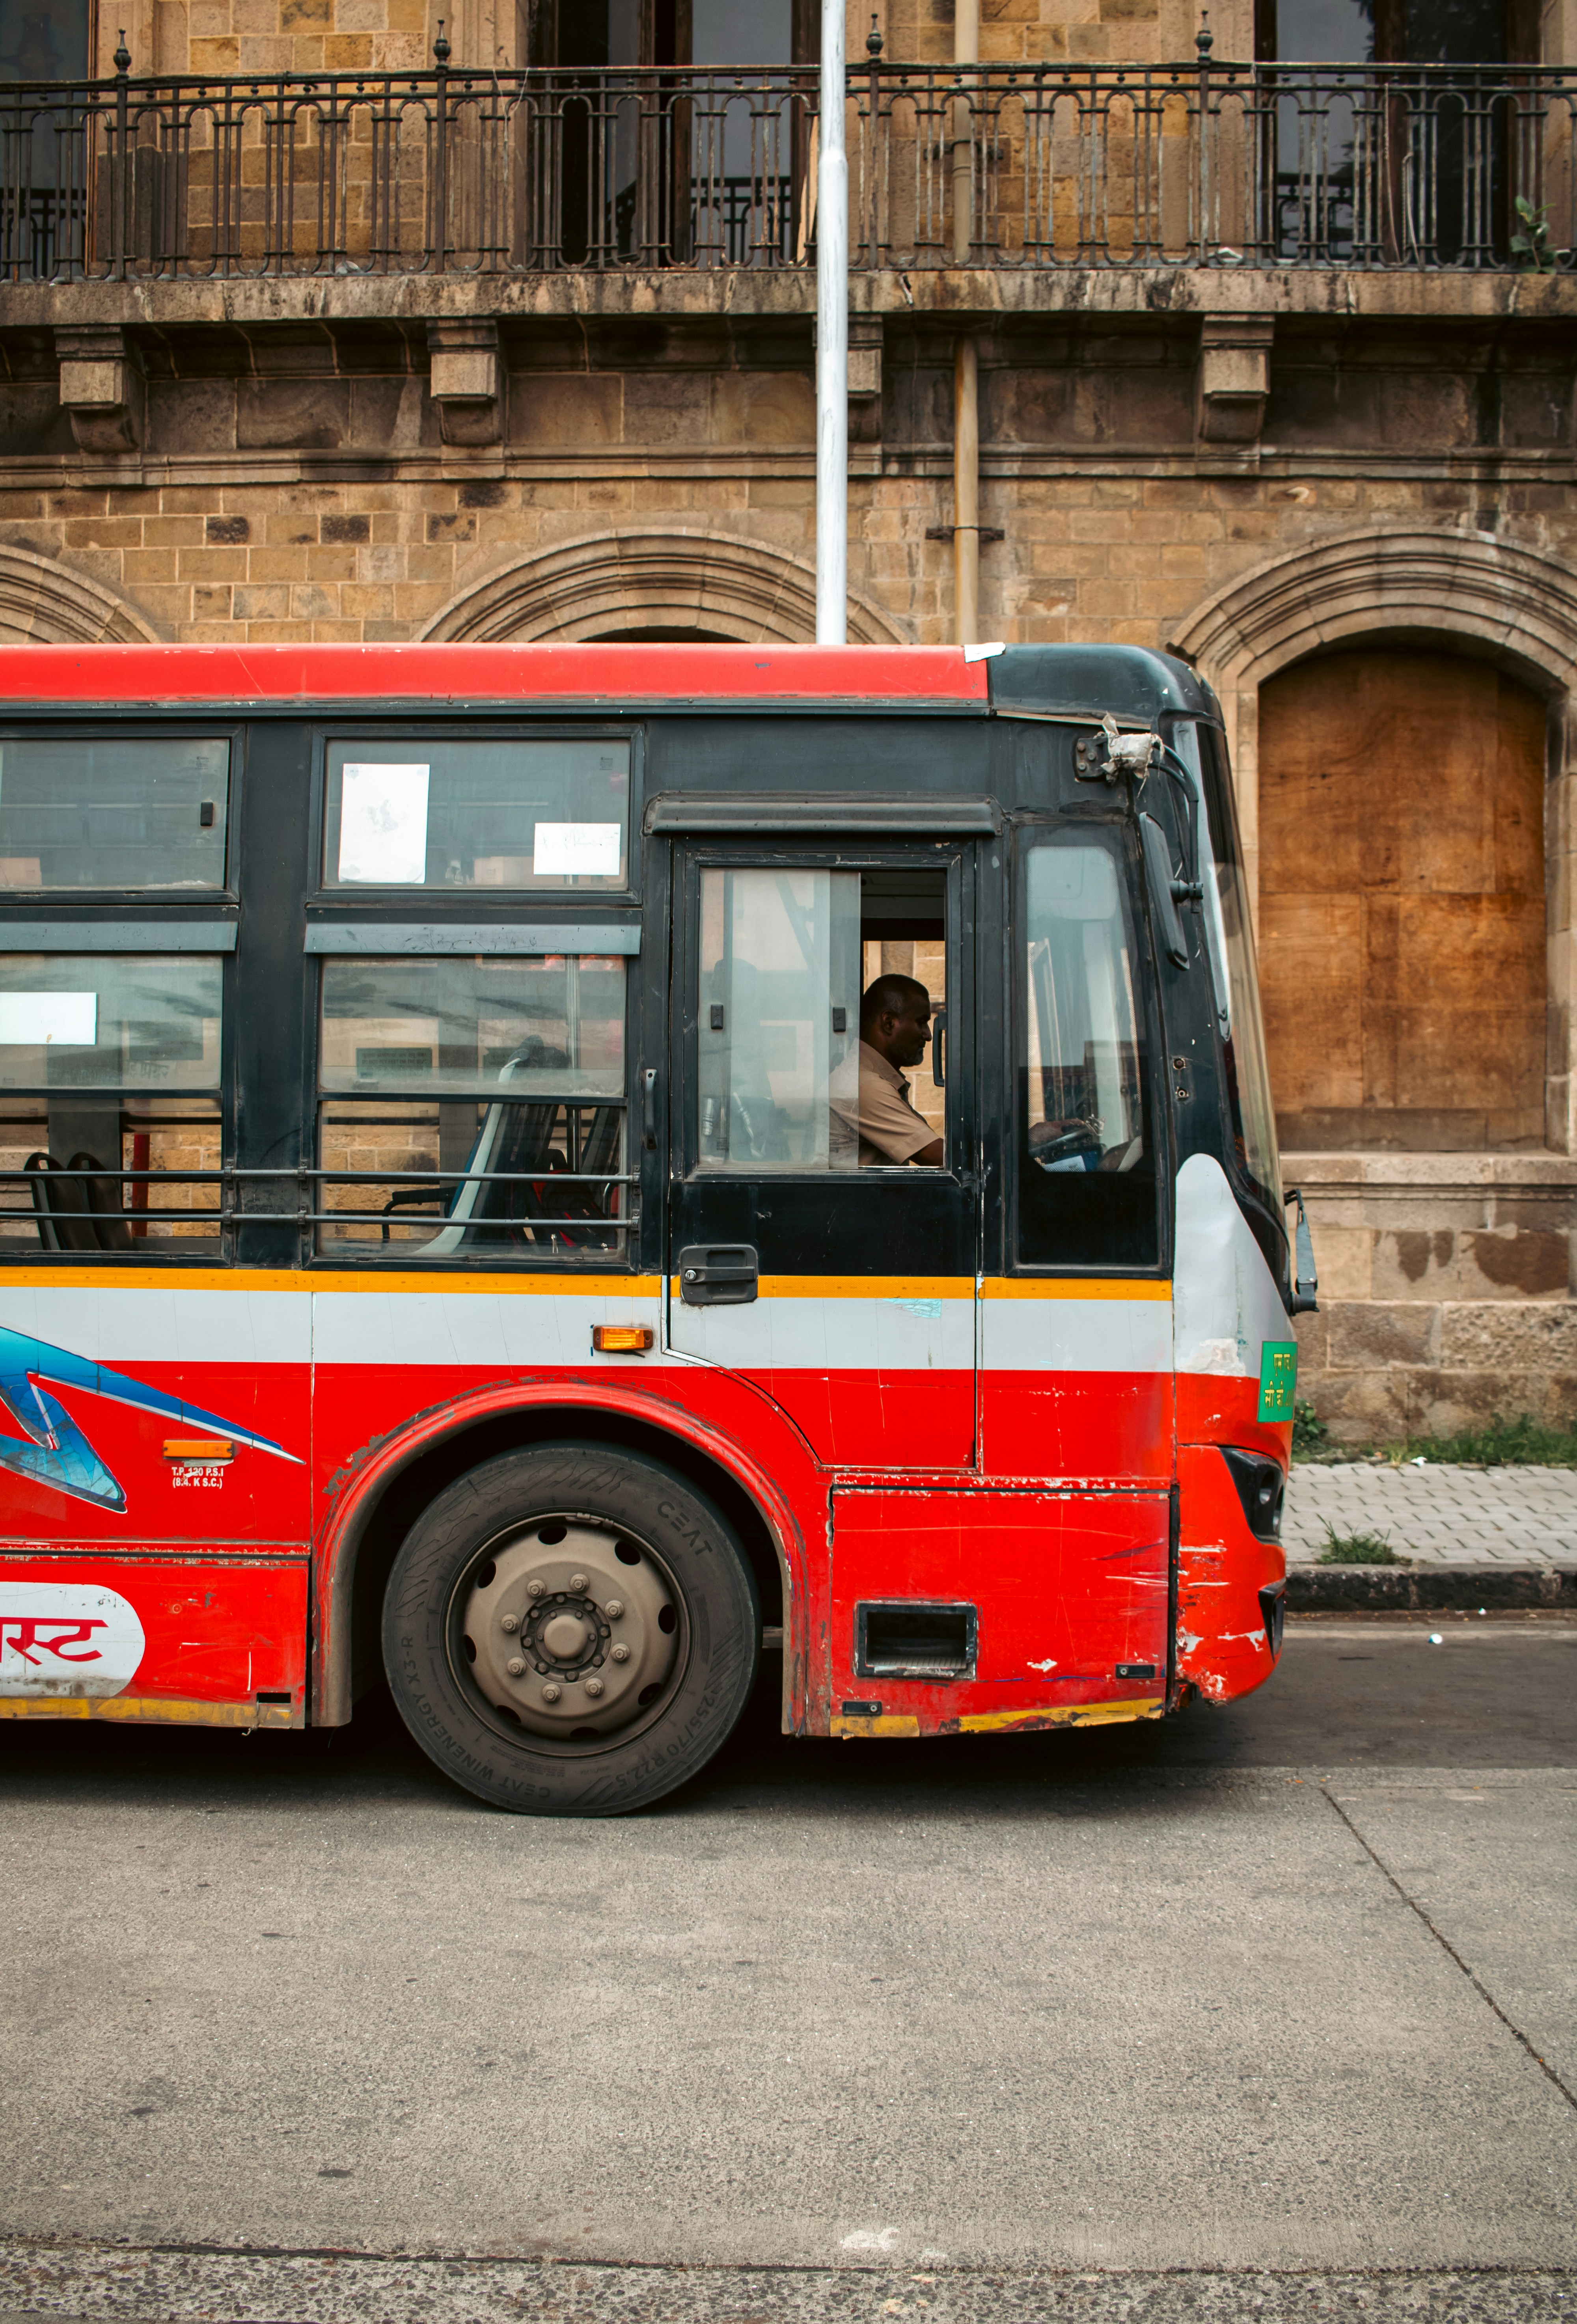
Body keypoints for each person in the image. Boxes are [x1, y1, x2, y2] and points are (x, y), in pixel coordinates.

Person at [838, 973, 943, 1167]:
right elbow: (940, 1157)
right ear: (889, 1023)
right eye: (921, 1022)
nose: (928, 1036)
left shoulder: (874, 1079)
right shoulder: (865, 1085)